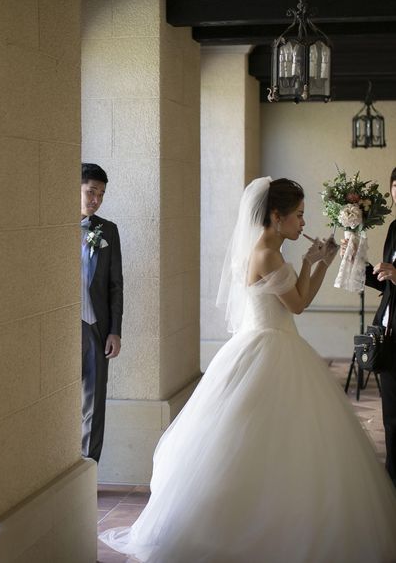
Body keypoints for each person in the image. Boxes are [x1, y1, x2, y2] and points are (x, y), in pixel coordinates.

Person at [100, 177, 396, 563]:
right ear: (276, 216)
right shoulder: (267, 254)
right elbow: (298, 305)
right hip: (269, 347)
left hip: (273, 343)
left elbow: (297, 299)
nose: (303, 223)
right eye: (298, 215)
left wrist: (315, 262)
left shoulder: (271, 251)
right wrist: (318, 262)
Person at [80, 163, 123, 463]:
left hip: (96, 327)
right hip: (63, 329)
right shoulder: (50, 227)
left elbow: (115, 285)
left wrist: (115, 331)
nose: (96, 200)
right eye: (91, 192)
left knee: (94, 403)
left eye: (101, 194)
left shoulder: (107, 230)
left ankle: (89, 468)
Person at [361, 166, 396, 485]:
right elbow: (387, 284)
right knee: (391, 419)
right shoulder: (394, 229)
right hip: (388, 335)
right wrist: (360, 267)